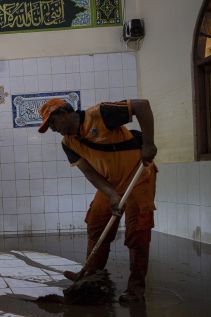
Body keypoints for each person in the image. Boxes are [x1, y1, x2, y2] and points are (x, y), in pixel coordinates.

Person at [38, 98, 158, 303]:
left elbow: (142, 105)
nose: (52, 129)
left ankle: (136, 288)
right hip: (110, 183)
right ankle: (91, 275)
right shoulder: (68, 143)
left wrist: (148, 143)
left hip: (138, 177)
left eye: (52, 123)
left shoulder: (101, 114)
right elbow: (89, 172)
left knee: (137, 233)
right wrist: (111, 194)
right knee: (96, 223)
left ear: (63, 113)